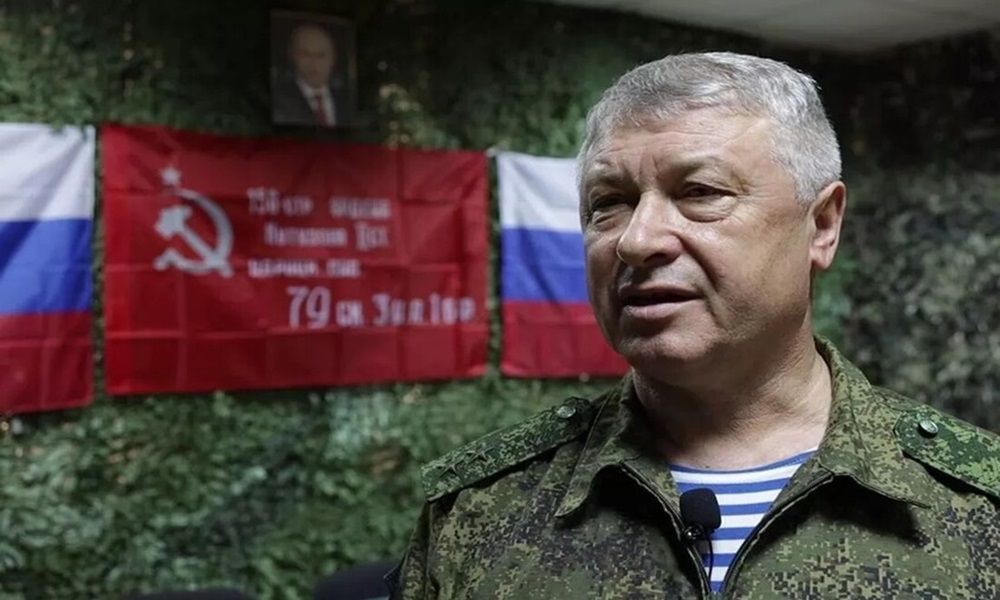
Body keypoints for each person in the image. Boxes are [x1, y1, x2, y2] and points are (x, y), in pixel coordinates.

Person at [391, 53, 999, 599]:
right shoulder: (480, 510)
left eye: (701, 192)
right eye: (609, 203)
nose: (636, 241)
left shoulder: (976, 505)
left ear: (821, 226)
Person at [272, 22, 351, 127]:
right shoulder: (277, 99)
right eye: (305, 54)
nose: (314, 63)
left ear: (333, 58)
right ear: (292, 56)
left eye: (321, 55)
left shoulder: (348, 100)